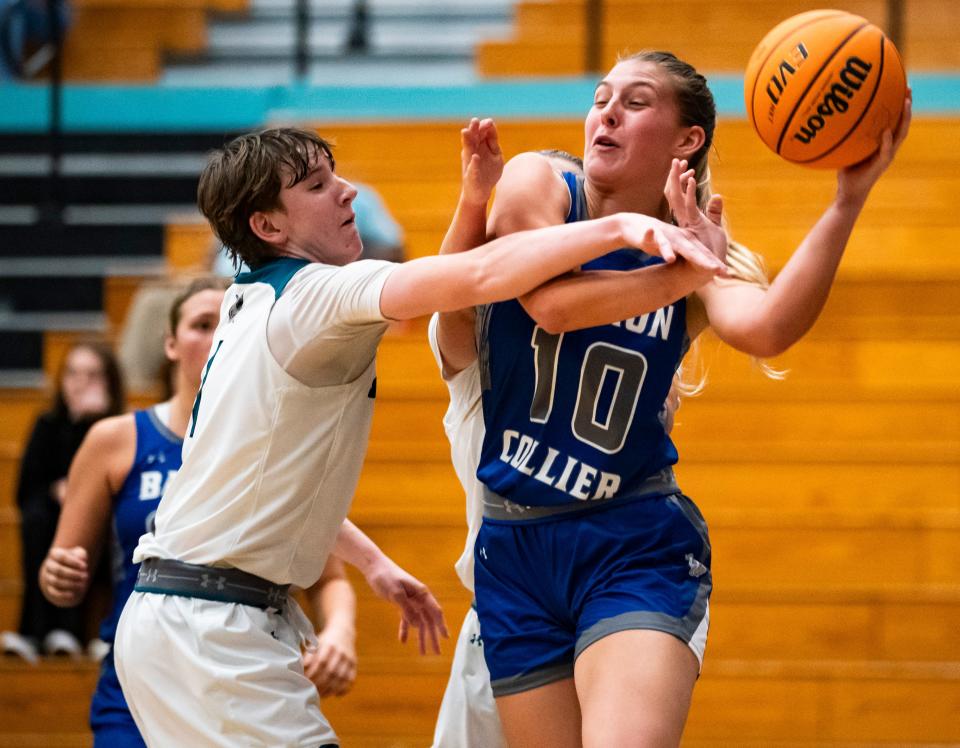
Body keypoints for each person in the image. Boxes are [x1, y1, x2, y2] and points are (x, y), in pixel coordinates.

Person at [106, 125, 722, 747]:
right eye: (318, 186)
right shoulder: (315, 295)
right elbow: (479, 277)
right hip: (211, 628)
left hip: (185, 613)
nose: (348, 193)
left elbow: (246, 477)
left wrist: (372, 562)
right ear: (268, 227)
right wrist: (624, 228)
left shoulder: (248, 303)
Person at [463, 50, 911, 747]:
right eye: (602, 96)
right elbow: (546, 304)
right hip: (513, 546)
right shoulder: (539, 180)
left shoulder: (704, 250)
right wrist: (675, 279)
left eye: (635, 102)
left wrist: (847, 201)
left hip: (630, 540)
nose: (606, 111)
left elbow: (766, 330)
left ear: (687, 140)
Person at [37, 277, 360, 746]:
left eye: (229, 323)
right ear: (170, 343)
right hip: (139, 674)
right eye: (200, 325)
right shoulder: (115, 440)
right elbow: (61, 573)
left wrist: (341, 633)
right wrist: (56, 575)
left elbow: (327, 574)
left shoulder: (273, 443)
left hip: (237, 674)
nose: (214, 338)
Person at [1, 341, 124, 664]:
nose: (80, 383)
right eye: (72, 373)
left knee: (93, 522)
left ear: (109, 382)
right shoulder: (47, 424)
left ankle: (74, 630)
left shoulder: (115, 428)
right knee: (38, 518)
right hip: (50, 513)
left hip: (101, 515)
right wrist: (59, 490)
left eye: (92, 374)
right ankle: (35, 632)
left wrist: (87, 423)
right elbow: (25, 487)